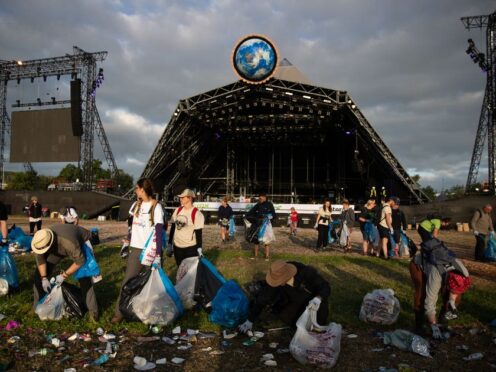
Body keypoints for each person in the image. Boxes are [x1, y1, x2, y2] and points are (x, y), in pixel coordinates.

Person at [112, 178, 164, 323]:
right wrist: (127, 241)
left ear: (142, 189)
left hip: (150, 251)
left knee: (149, 283)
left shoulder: (156, 207)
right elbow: (132, 227)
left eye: (136, 188)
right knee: (128, 280)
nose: (135, 191)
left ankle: (149, 313)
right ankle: (119, 312)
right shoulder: (136, 205)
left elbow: (159, 232)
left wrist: (158, 255)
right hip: (135, 249)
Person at [239, 260, 330, 333]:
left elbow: (324, 286)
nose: (279, 282)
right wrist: (250, 320)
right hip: (294, 302)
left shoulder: (305, 272)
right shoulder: (277, 276)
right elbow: (264, 297)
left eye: (280, 280)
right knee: (288, 318)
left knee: (317, 324)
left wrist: (318, 298)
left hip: (315, 304)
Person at [31, 225, 99, 321]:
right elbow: (41, 261)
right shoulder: (39, 241)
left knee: (85, 277)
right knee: (38, 276)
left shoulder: (69, 243)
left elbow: (80, 261)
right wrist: (44, 278)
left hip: (81, 243)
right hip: (58, 247)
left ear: (49, 244)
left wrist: (64, 275)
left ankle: (93, 312)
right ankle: (37, 307)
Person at [409, 238, 471, 337]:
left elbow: (455, 290)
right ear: (446, 283)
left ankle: (443, 323)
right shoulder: (436, 276)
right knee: (422, 294)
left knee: (454, 299)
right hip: (419, 265)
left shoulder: (463, 272)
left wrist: (452, 302)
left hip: (443, 272)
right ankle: (419, 326)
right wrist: (433, 326)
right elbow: (430, 303)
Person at [167, 188, 205, 266]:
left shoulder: (197, 213)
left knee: (189, 273)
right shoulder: (177, 210)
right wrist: (170, 244)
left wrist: (199, 248)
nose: (180, 199)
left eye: (183, 197)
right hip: (177, 247)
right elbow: (173, 228)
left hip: (190, 249)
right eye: (180, 197)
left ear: (190, 198)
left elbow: (198, 233)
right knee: (180, 271)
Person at [246, 193, 276, 260]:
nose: (260, 199)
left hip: (266, 225)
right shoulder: (258, 204)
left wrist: (268, 216)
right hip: (257, 224)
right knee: (256, 240)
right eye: (259, 198)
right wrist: (249, 216)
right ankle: (256, 256)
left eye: (261, 197)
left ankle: (267, 256)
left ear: (265, 197)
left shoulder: (269, 204)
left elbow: (274, 214)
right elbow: (251, 212)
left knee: (266, 241)